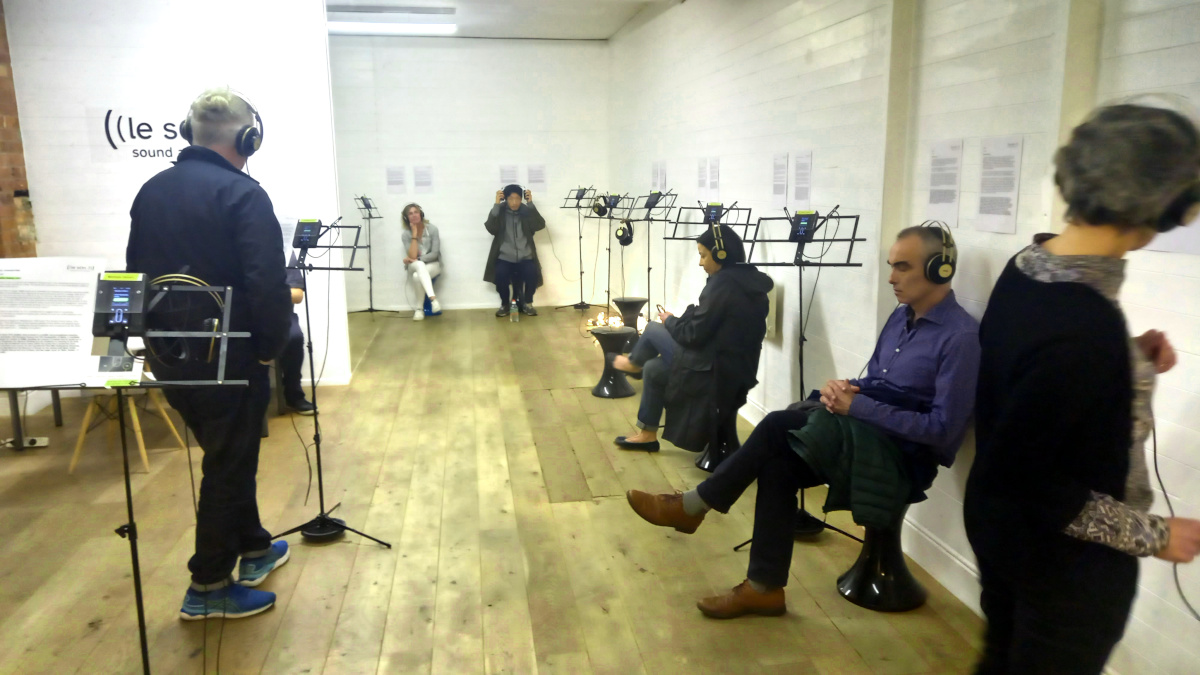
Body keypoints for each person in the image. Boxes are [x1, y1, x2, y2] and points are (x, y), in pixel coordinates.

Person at [625, 225, 980, 619]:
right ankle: (763, 589)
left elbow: (943, 431)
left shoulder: (960, 337)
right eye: (890, 266)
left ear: (940, 269)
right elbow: (878, 382)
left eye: (902, 267)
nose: (892, 277)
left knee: (779, 424)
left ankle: (693, 507)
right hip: (864, 434)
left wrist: (857, 407)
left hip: (901, 455)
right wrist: (848, 389)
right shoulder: (900, 317)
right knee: (779, 466)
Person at [964, 103, 1200, 674]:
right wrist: (1155, 535)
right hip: (1062, 563)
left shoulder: (1031, 266)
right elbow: (1030, 481)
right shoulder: (1082, 330)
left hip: (1001, 535)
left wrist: (1129, 362)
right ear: (1162, 205)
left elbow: (1040, 389)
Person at [126, 88, 292, 621]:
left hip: (173, 357)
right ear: (250, 137)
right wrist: (270, 349)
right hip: (234, 357)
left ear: (187, 132)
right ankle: (209, 585)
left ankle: (254, 547)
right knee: (228, 464)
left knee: (228, 454)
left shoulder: (151, 190)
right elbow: (266, 285)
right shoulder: (244, 195)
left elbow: (137, 276)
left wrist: (153, 349)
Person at [610, 224, 773, 452]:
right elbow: (711, 325)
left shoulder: (722, 284)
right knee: (655, 369)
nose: (700, 262)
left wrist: (669, 320)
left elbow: (693, 335)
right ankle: (647, 434)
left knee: (653, 329)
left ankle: (633, 363)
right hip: (736, 367)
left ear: (720, 254)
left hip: (714, 367)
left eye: (703, 255)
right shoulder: (748, 280)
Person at [484, 184, 544, 317]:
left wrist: (530, 204)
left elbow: (539, 225)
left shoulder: (526, 211)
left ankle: (528, 303)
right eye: (511, 199)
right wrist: (496, 204)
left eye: (517, 198)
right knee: (500, 276)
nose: (514, 202)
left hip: (525, 256)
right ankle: (505, 304)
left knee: (532, 274)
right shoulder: (499, 211)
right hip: (504, 257)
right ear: (505, 198)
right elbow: (491, 228)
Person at [280, 252, 314, 414]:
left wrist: (266, 292)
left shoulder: (286, 253)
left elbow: (297, 295)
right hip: (245, 313)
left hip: (280, 313)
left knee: (294, 337)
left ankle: (294, 395)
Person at [401, 202, 442, 321]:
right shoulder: (406, 235)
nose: (414, 215)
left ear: (421, 214)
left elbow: (434, 254)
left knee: (416, 276)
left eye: (416, 212)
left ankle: (419, 309)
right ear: (406, 218)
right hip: (415, 265)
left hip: (433, 264)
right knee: (418, 265)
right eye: (410, 214)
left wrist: (417, 259)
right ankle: (433, 300)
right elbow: (412, 255)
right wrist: (414, 234)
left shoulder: (433, 229)